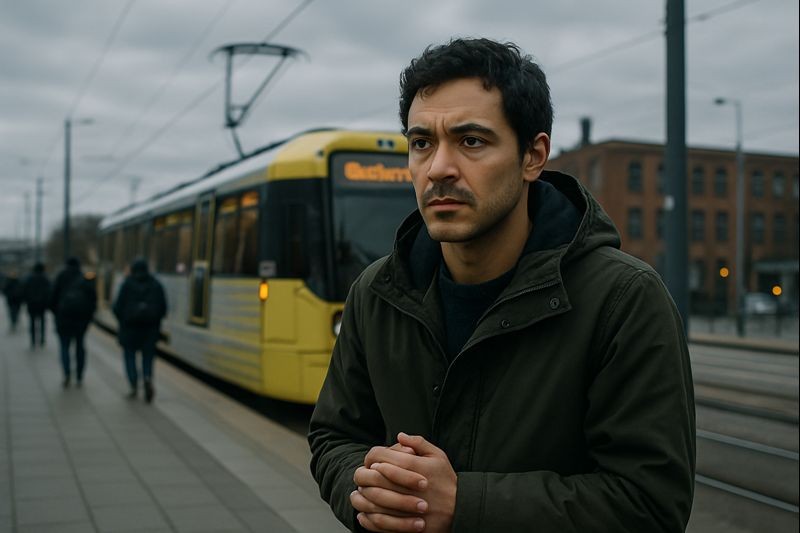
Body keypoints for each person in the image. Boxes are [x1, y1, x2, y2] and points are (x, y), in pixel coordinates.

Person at [308, 38, 695, 533]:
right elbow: (333, 435)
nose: (439, 169)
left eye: (472, 141)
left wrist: (463, 505)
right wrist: (368, 489)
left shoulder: (624, 300)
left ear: (533, 157)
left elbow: (650, 504)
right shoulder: (378, 290)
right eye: (422, 143)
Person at [112, 258, 167, 403]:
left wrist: (123, 321)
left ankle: (133, 384)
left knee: (129, 357)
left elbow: (117, 307)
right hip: (149, 331)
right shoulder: (156, 285)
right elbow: (163, 308)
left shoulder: (127, 284)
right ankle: (147, 377)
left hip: (129, 329)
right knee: (147, 358)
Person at [50, 257, 96, 387]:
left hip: (63, 319)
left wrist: (57, 313)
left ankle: (66, 373)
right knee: (80, 346)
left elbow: (52, 298)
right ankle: (80, 375)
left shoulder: (60, 277)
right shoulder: (84, 278)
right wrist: (88, 318)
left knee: (64, 347)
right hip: (80, 321)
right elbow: (92, 300)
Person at [22, 262, 51, 348]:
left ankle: (33, 340)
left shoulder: (29, 278)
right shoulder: (45, 278)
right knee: (42, 321)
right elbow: (49, 291)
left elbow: (24, 290)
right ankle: (42, 339)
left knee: (32, 322)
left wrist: (26, 301)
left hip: (31, 304)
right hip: (42, 304)